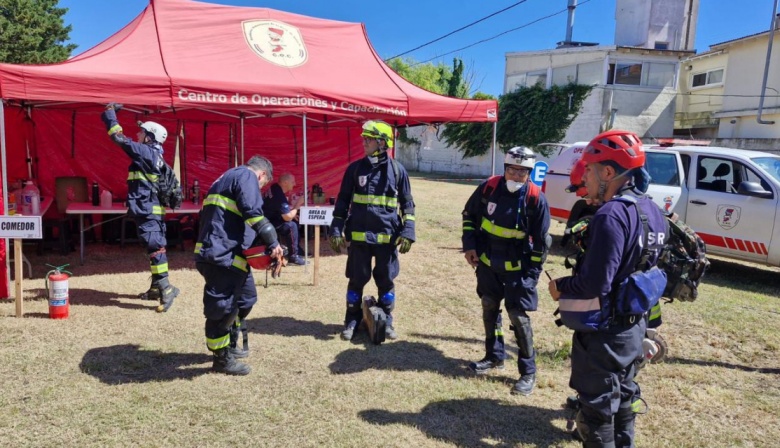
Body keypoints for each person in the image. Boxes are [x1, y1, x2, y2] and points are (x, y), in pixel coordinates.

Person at [548, 130, 669, 447]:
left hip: (605, 336)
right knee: (625, 400)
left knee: (597, 415)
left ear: (608, 172)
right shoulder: (653, 212)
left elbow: (595, 283)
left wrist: (560, 286)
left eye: (588, 168)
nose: (584, 175)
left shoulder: (611, 215)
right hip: (633, 329)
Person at [461, 146, 551, 396]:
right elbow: (469, 216)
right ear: (505, 169)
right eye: (511, 169)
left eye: (522, 171)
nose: (515, 175)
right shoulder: (489, 188)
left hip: (518, 271)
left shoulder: (535, 199)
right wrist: (470, 246)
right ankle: (494, 356)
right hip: (488, 265)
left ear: (529, 173)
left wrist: (531, 278)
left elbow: (542, 244)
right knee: (489, 307)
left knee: (518, 318)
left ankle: (528, 372)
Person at [194, 155, 284, 375]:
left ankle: (231, 340)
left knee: (246, 299)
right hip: (221, 256)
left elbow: (235, 220)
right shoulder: (246, 176)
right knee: (222, 309)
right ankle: (221, 359)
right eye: (262, 185)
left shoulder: (225, 179)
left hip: (230, 255)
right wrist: (273, 243)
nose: (260, 189)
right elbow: (253, 214)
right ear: (262, 175)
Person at [329, 120, 415, 342]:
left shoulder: (398, 171)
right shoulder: (355, 169)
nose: (363, 141)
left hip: (387, 238)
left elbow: (407, 205)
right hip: (359, 237)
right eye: (364, 137)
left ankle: (386, 320)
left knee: (386, 281)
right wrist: (336, 229)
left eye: (368, 138)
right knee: (357, 279)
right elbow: (342, 202)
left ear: (382, 142)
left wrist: (408, 231)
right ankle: (352, 319)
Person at [101, 103, 179, 313]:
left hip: (148, 212)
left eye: (142, 132)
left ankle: (166, 287)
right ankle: (156, 288)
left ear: (150, 137)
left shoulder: (146, 153)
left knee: (155, 248)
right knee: (152, 247)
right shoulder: (153, 155)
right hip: (147, 211)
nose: (138, 134)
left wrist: (110, 115)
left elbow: (119, 138)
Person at [262, 173, 306, 265]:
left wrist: (292, 214)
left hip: (268, 218)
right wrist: (298, 204)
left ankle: (297, 249)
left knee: (294, 220)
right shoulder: (279, 195)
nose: (294, 184)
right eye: (293, 182)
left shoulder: (275, 187)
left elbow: (278, 209)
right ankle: (293, 257)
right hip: (267, 222)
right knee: (291, 225)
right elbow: (287, 217)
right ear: (285, 183)